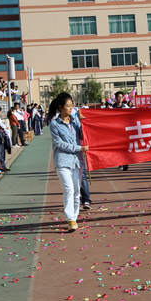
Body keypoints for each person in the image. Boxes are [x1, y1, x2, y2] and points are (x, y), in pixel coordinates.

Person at [48, 92, 89, 232]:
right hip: (63, 161)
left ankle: (74, 217)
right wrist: (79, 148)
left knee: (77, 192)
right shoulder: (54, 124)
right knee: (69, 189)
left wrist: (84, 123)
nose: (71, 108)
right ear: (60, 107)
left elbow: (83, 135)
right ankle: (70, 218)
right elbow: (59, 144)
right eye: (68, 106)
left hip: (77, 161)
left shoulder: (75, 120)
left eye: (72, 105)